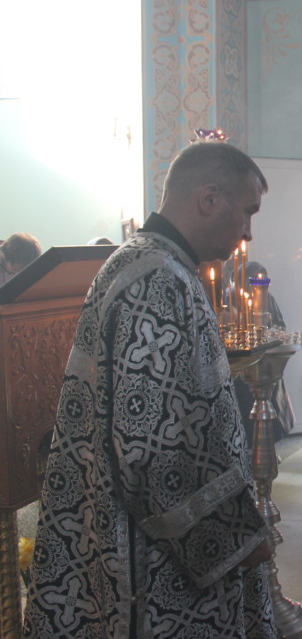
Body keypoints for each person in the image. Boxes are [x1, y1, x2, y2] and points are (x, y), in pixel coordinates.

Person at [23, 142, 276, 637]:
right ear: (208, 199)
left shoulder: (150, 264)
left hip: (136, 543)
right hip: (153, 569)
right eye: (247, 212)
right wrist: (234, 538)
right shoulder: (157, 281)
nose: (248, 231)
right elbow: (151, 448)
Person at [233, 260, 296, 447]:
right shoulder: (232, 298)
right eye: (255, 280)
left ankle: (269, 445)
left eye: (264, 280)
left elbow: (279, 325)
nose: (261, 285)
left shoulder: (269, 298)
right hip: (244, 364)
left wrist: (270, 331)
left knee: (271, 405)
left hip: (268, 361)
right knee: (246, 408)